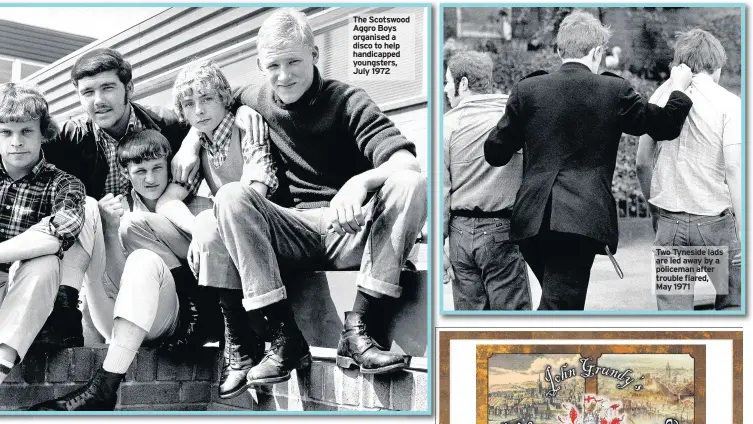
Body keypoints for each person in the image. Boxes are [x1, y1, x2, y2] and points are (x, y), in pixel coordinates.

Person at [202, 8, 425, 389]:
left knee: (410, 184)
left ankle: (360, 329)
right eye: (273, 65)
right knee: (231, 196)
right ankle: (284, 337)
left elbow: (406, 161)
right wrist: (191, 143)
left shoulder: (347, 100)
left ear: (315, 55)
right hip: (293, 231)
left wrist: (359, 182)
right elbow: (206, 108)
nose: (284, 75)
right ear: (260, 65)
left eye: (294, 61)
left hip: (348, 230)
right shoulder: (256, 97)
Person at [484, 10, 694, 310]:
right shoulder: (614, 90)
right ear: (598, 51)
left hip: (531, 222)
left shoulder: (527, 90)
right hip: (579, 221)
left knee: (559, 302)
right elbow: (665, 126)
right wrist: (678, 88)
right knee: (560, 309)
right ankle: (527, 353)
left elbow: (495, 152)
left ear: (559, 50)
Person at [29, 129, 219, 410]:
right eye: (140, 171)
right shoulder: (118, 209)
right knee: (90, 209)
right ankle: (62, 315)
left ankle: (105, 385)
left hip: (173, 321)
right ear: (125, 173)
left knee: (143, 258)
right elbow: (114, 280)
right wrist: (109, 229)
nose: (151, 179)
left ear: (170, 166)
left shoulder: (199, 207)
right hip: (120, 316)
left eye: (158, 168)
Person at [33, 48, 201, 349]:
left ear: (129, 88)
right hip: (102, 253)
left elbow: (225, 103)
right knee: (87, 209)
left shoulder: (168, 125)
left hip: (161, 250)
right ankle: (66, 314)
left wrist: (192, 140)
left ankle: (191, 313)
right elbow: (20, 142)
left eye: (107, 87)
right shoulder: (70, 138)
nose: (98, 100)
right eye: (88, 92)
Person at [157, 60, 278, 399]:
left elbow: (259, 184)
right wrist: (197, 229)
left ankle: (238, 342)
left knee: (217, 215)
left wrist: (216, 224)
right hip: (226, 234)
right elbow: (167, 200)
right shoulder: (201, 145)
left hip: (266, 226)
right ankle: (231, 338)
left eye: (207, 99)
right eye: (189, 104)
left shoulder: (246, 125)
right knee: (159, 224)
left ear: (225, 98)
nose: (199, 110)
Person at [636, 29, 741, 310]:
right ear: (716, 65)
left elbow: (642, 162)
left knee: (674, 315)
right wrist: (744, 232)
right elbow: (734, 169)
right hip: (714, 225)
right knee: (734, 302)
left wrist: (656, 210)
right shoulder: (729, 104)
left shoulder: (660, 96)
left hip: (671, 223)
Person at [0, 83, 86, 385]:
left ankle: (1, 361)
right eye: (6, 132)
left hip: (25, 294)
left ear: (43, 132)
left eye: (26, 131)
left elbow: (59, 232)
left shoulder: (65, 184)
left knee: (46, 259)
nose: (16, 142)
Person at [443, 50, 531, 310]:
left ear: (464, 84)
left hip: (459, 234)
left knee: (470, 325)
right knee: (512, 321)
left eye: (448, 82)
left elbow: (440, 190)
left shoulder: (447, 126)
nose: (446, 90)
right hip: (502, 229)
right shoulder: (514, 120)